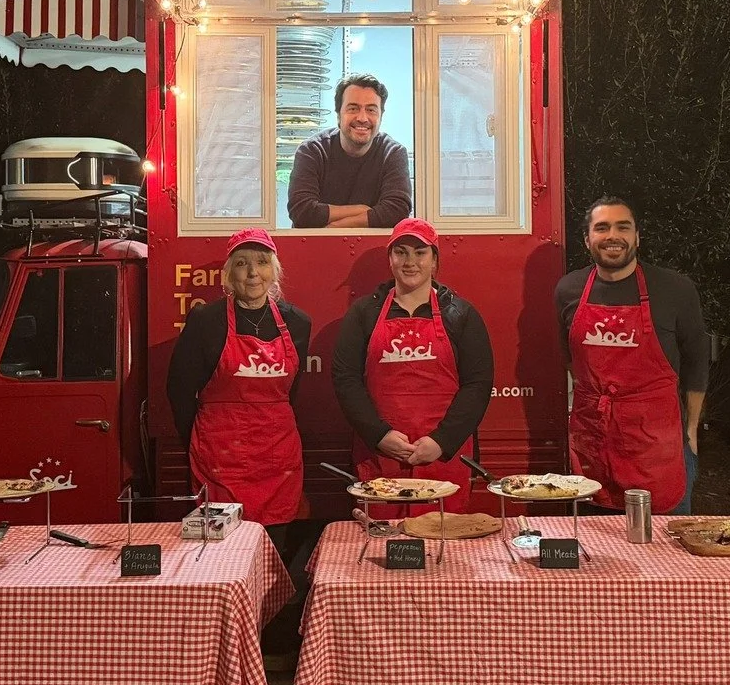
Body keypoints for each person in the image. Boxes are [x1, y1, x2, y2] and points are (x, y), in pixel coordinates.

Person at [554, 197, 710, 514]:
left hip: (657, 446)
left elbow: (697, 363)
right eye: (602, 228)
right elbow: (571, 359)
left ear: (637, 236)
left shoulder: (675, 289)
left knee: (666, 555)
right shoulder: (568, 289)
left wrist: (691, 430)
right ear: (588, 240)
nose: (613, 235)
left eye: (622, 227)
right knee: (595, 552)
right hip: (593, 445)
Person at [332, 218, 493, 512]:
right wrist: (379, 435)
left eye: (420, 253)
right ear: (390, 259)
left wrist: (441, 441)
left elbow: (478, 386)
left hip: (443, 458)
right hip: (382, 456)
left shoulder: (461, 314)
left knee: (442, 546)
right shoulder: (363, 313)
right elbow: (346, 380)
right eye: (401, 252)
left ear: (435, 261)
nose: (410, 262)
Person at [167, 229, 311, 537]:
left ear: (274, 270)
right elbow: (178, 390)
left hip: (277, 456)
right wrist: (199, 442)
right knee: (218, 553)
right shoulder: (206, 320)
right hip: (220, 459)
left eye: (261, 262)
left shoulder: (299, 323)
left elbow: (291, 393)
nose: (252, 272)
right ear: (230, 272)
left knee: (276, 551)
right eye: (242, 263)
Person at [287, 73, 412, 229]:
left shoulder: (392, 153)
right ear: (339, 115)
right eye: (353, 108)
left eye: (371, 110)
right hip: (313, 250)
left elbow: (397, 210)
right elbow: (301, 210)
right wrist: (362, 210)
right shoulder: (312, 150)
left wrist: (337, 227)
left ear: (381, 116)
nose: (362, 118)